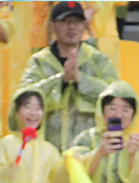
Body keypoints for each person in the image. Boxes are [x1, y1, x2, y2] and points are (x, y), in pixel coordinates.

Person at [20, 2, 118, 152]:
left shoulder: (98, 60)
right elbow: (24, 97)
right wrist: (61, 81)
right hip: (46, 152)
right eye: (65, 21)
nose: (72, 26)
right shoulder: (38, 61)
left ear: (84, 25)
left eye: (77, 21)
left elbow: (115, 96)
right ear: (52, 26)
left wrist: (81, 80)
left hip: (89, 152)